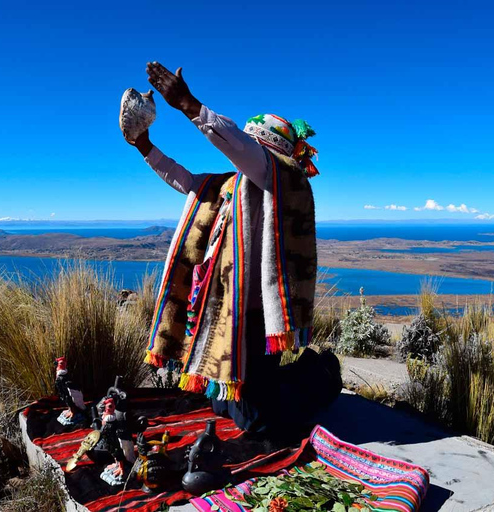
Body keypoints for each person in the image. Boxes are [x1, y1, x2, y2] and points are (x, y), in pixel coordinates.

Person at [125, 62, 341, 433]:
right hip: (222, 307)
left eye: (253, 146)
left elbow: (239, 146)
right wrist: (143, 144)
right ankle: (288, 378)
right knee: (222, 404)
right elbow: (184, 178)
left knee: (255, 420)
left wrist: (190, 105)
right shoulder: (231, 186)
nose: (243, 151)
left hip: (255, 314)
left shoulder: (281, 179)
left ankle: (321, 375)